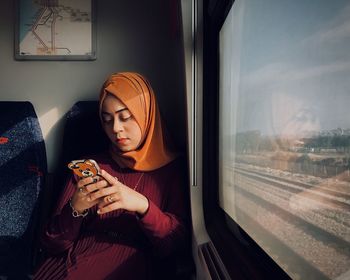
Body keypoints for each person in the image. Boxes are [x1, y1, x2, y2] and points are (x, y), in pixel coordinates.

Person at [34, 72, 191, 279]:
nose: (116, 129)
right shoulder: (90, 166)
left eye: (125, 117)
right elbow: (51, 243)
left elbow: (176, 242)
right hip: (68, 265)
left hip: (132, 266)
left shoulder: (172, 169)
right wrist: (75, 209)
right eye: (107, 120)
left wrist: (142, 205)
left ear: (146, 115)